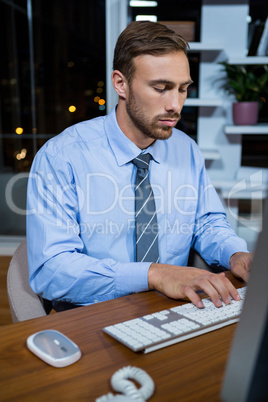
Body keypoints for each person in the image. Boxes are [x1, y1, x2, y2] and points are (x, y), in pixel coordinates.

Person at [27, 21, 252, 312]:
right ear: (121, 84)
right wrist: (154, 274)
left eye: (183, 89)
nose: (176, 105)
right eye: (161, 88)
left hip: (173, 310)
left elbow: (206, 222)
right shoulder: (61, 157)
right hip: (92, 317)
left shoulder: (186, 149)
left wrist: (235, 253)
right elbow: (51, 270)